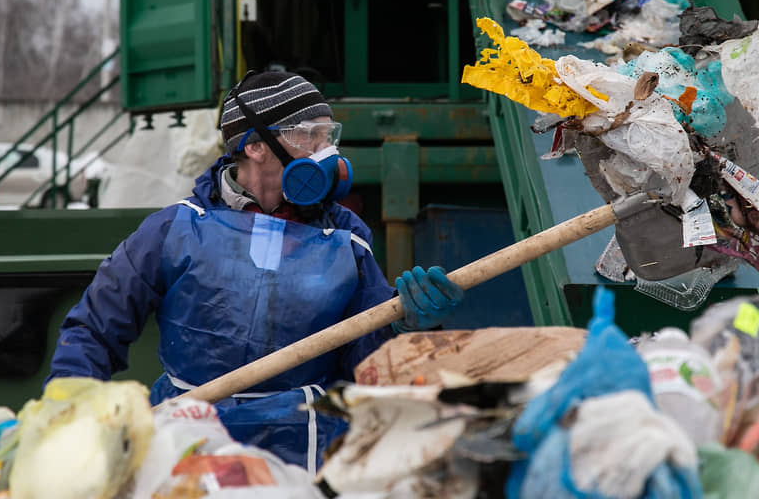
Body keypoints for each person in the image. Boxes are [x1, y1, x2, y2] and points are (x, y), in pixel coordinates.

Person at [47, 70, 465, 470]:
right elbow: (95, 327)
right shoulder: (175, 229)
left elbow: (363, 360)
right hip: (187, 440)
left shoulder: (344, 235)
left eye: (328, 135)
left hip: (307, 447)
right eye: (309, 135)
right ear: (255, 146)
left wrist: (406, 326)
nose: (327, 152)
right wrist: (70, 410)